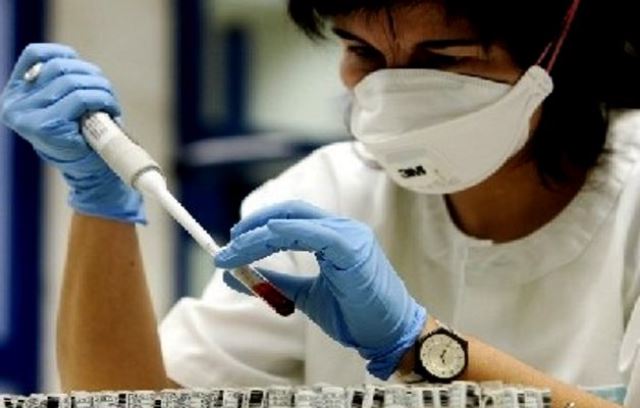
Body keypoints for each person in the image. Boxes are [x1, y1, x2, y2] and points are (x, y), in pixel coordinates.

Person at [1, 0, 639, 406]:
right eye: (362, 52)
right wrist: (100, 203)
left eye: (443, 58)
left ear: (561, 52)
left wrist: (418, 345)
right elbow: (128, 398)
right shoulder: (325, 195)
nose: (393, 90)